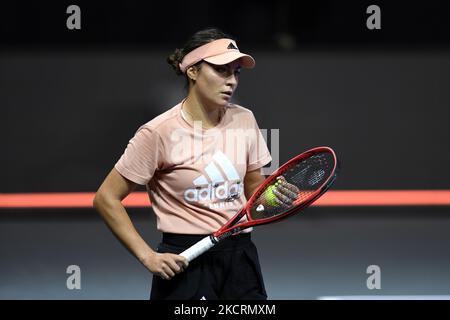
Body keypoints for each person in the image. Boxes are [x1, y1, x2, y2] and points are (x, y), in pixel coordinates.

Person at [93, 28, 295, 300]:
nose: (232, 81)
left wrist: (274, 197)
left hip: (239, 256)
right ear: (193, 71)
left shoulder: (245, 119)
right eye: (222, 70)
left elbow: (254, 189)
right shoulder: (157, 132)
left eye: (236, 72)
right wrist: (148, 257)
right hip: (185, 260)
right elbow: (106, 198)